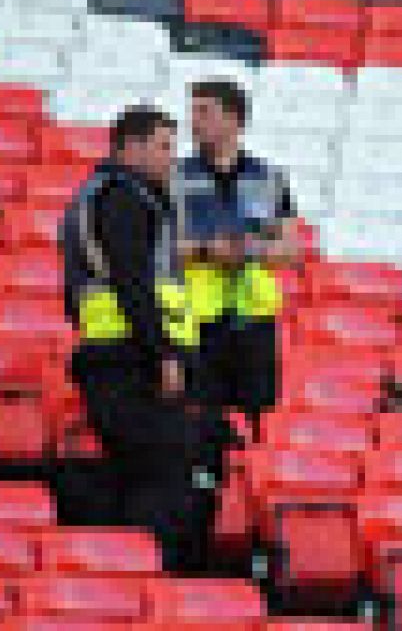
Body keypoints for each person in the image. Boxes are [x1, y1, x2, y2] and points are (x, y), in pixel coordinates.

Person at [59, 105, 227, 572]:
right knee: (166, 475)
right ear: (129, 147)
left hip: (118, 357)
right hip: (130, 361)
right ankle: (148, 577)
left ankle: (127, 578)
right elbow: (134, 284)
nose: (171, 158)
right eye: (162, 147)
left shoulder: (104, 199)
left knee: (145, 472)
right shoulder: (123, 199)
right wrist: (164, 355)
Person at [178, 80, 303, 427]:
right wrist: (207, 251)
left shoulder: (269, 178)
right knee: (197, 419)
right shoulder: (173, 177)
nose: (194, 121)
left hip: (254, 319)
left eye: (204, 111)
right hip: (196, 318)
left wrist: (248, 251)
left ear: (234, 120)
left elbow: (292, 250)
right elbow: (156, 245)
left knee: (256, 420)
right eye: (193, 111)